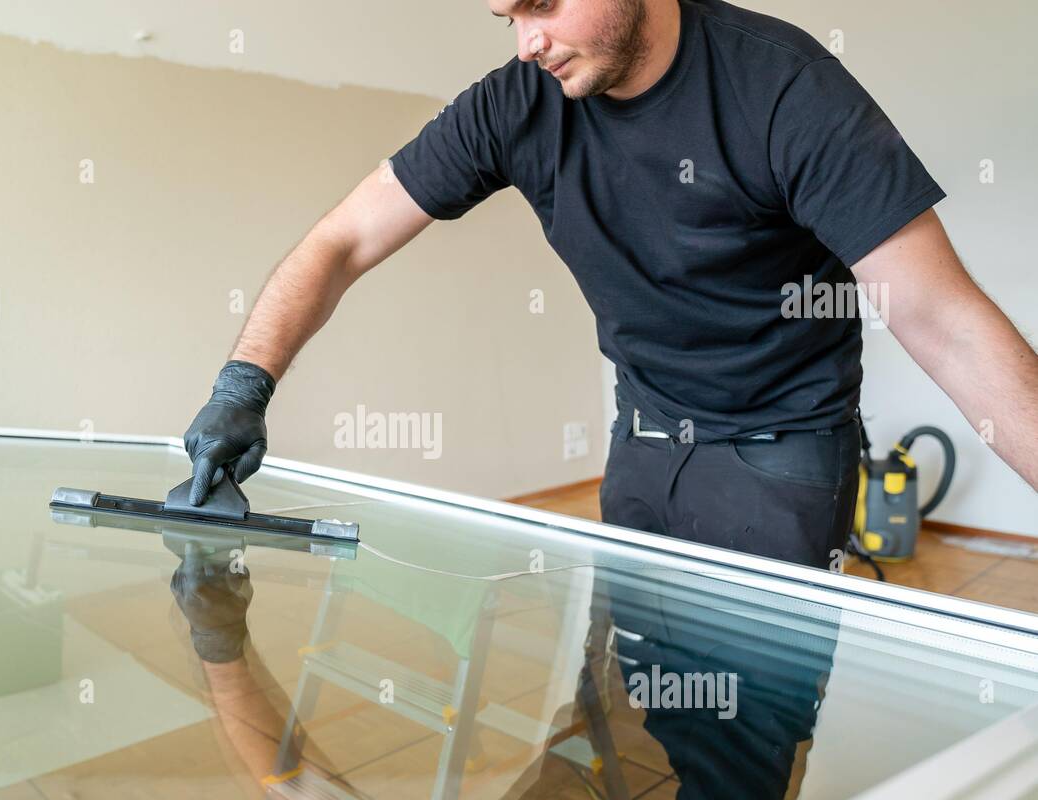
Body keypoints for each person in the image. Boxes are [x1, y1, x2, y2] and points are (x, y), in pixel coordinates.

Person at [183, 0, 1038, 570]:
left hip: (780, 456)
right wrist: (242, 383)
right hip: (641, 437)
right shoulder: (515, 101)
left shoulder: (785, 87)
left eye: (544, 2)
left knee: (737, 752)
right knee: (626, 724)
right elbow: (342, 239)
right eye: (508, 13)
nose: (527, 41)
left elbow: (945, 321)